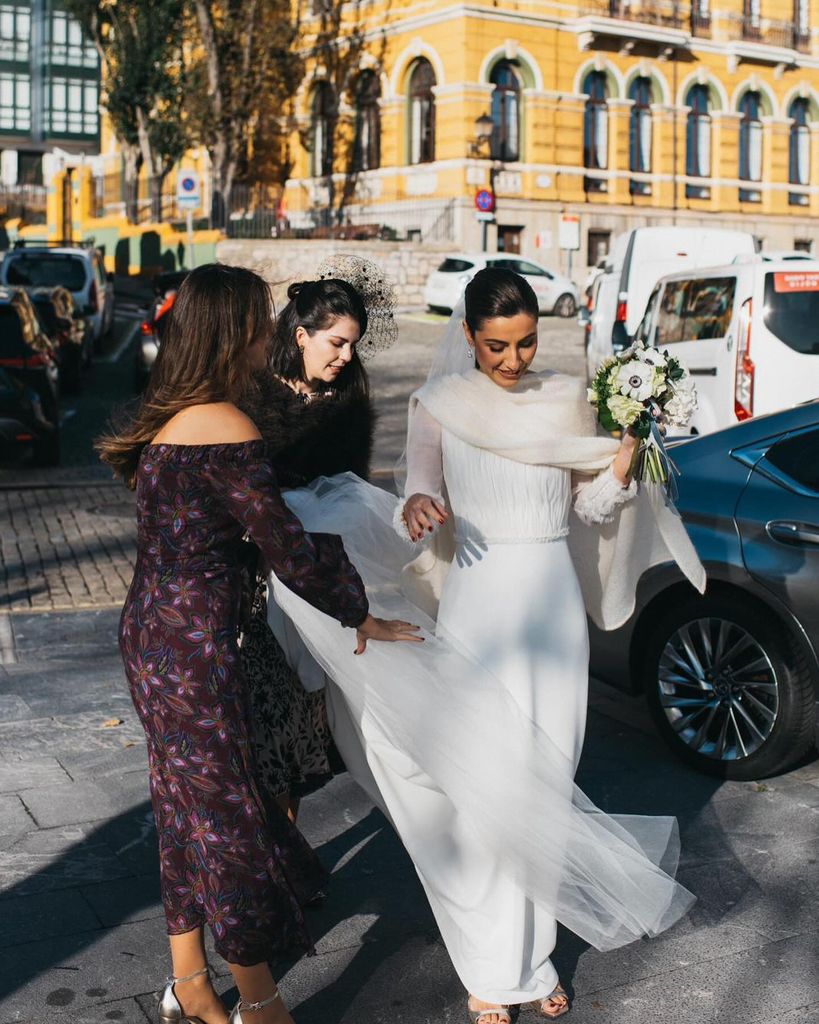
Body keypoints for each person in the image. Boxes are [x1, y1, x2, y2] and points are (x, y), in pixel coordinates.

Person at [260, 267, 705, 1024]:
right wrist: (419, 507)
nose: (512, 359)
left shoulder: (566, 397)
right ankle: (496, 967)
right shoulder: (436, 403)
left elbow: (592, 505)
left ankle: (532, 962)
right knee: (483, 792)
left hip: (550, 609)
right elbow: (411, 498)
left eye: (526, 342)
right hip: (478, 604)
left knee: (545, 779)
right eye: (496, 345)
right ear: (467, 336)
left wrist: (623, 461)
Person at [96, 263, 419, 1024]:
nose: (265, 332)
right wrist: (358, 612)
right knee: (232, 826)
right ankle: (261, 1001)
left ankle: (189, 982)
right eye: (257, 318)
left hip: (148, 635)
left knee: (182, 808)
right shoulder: (228, 427)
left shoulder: (165, 420)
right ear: (232, 328)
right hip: (199, 647)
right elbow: (289, 549)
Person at [238, 276, 377, 823]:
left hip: (314, 578)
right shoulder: (248, 394)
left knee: (299, 720)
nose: (347, 357)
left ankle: (287, 852)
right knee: (262, 723)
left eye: (354, 345)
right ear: (300, 335)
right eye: (336, 343)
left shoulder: (349, 404)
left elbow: (354, 492)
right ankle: (278, 858)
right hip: (249, 580)